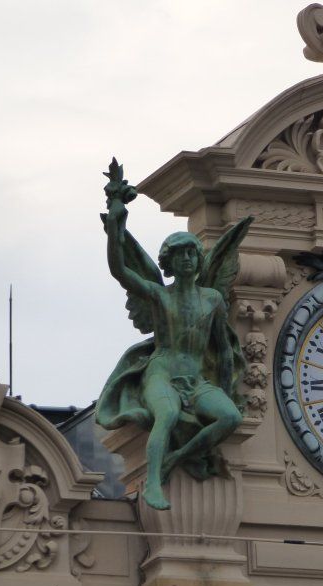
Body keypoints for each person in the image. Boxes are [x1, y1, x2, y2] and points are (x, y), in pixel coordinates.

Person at [97, 171, 248, 510]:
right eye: (179, 255)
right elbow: (120, 270)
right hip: (162, 372)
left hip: (196, 381)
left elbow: (223, 352)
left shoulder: (212, 299)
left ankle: (176, 457)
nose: (186, 259)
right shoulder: (159, 296)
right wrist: (115, 226)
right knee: (165, 415)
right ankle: (152, 482)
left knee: (230, 418)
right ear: (168, 262)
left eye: (191, 254)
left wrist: (224, 388)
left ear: (198, 259)